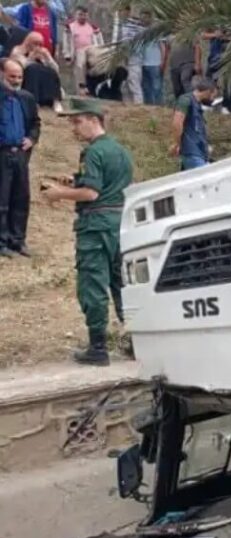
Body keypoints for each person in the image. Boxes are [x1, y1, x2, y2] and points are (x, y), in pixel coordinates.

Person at [41, 99, 133, 366]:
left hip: (95, 226)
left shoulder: (92, 152)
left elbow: (91, 193)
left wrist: (59, 195)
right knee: (122, 284)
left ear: (94, 120)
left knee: (92, 284)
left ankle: (98, 347)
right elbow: (110, 184)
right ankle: (138, 339)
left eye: (77, 121)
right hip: (119, 224)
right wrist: (75, 180)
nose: (73, 127)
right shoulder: (120, 151)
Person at [0, 58, 40, 259]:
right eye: (12, 76)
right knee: (2, 199)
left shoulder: (27, 98)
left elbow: (35, 123)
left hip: (21, 155)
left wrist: (32, 139)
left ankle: (18, 240)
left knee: (21, 198)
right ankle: (2, 241)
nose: (16, 81)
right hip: (2, 153)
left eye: (19, 77)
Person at [171, 76, 216, 170]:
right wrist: (176, 143)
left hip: (199, 152)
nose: (213, 99)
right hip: (192, 152)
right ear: (208, 91)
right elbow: (177, 122)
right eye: (213, 96)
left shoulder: (197, 105)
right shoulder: (186, 100)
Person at [10, 31, 61, 109]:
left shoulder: (43, 53)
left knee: (51, 71)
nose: (38, 47)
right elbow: (20, 67)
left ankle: (55, 101)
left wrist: (48, 58)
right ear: (28, 42)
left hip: (43, 82)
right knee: (33, 68)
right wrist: (31, 58)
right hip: (26, 78)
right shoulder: (18, 50)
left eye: (40, 44)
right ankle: (34, 101)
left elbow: (56, 69)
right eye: (35, 43)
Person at [203, 28, 231, 116]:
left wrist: (228, 37)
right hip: (215, 55)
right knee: (210, 79)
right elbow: (203, 35)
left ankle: (227, 106)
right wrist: (215, 35)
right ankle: (206, 103)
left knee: (230, 81)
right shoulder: (213, 21)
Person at [62, 6, 103, 96]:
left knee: (95, 66)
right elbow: (66, 43)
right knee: (80, 64)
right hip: (78, 50)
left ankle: (94, 87)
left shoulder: (92, 27)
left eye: (84, 15)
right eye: (80, 14)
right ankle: (82, 87)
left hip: (91, 50)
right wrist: (67, 55)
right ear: (76, 15)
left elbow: (99, 40)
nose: (82, 17)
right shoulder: (70, 27)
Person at [113, 7, 145, 104]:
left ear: (127, 11)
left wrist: (126, 54)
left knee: (134, 85)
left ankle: (139, 107)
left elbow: (131, 43)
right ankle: (129, 107)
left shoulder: (133, 25)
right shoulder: (121, 25)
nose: (121, 13)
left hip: (134, 60)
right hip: (124, 61)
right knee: (124, 86)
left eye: (123, 11)